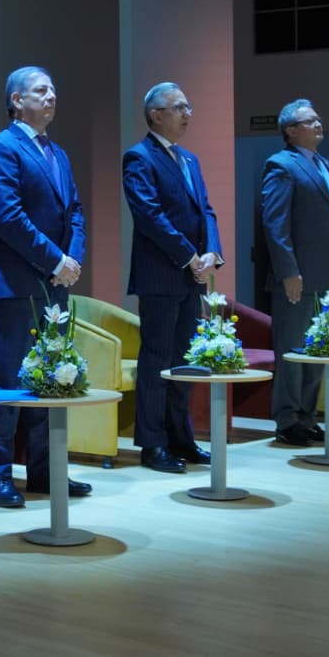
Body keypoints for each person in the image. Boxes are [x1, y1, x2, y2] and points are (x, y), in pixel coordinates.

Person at [0, 66, 91, 508]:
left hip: (56, 283)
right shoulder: (0, 148)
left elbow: (75, 211)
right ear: (16, 100)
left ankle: (45, 472)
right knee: (10, 380)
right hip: (17, 284)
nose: (51, 96)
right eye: (41, 90)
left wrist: (72, 260)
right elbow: (9, 218)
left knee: (52, 379)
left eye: (53, 90)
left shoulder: (57, 153)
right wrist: (55, 260)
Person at [122, 82, 224, 473]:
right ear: (156, 115)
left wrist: (212, 253)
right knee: (157, 361)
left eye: (188, 106)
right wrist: (189, 256)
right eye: (179, 107)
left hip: (191, 277)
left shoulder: (189, 160)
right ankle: (153, 444)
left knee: (184, 360)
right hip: (161, 276)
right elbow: (149, 216)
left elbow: (206, 211)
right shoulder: (139, 157)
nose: (187, 114)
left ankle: (181, 438)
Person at [256, 98, 329, 446]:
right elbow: (275, 223)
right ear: (290, 131)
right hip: (297, 277)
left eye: (318, 118)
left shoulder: (325, 164)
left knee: (318, 349)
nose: (319, 124)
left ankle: (307, 417)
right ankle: (287, 419)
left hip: (327, 276)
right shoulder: (281, 165)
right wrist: (288, 271)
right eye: (310, 121)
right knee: (293, 350)